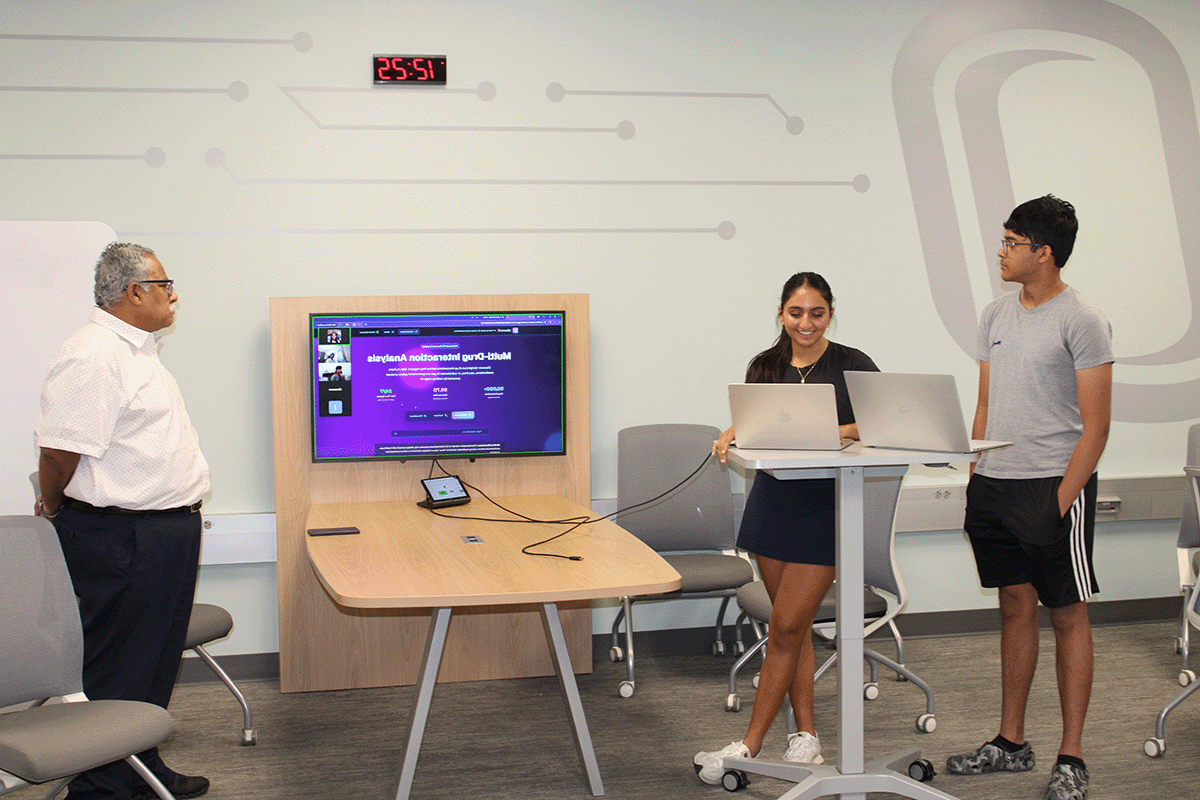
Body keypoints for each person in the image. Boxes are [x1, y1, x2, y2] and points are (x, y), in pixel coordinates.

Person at [946, 195, 1112, 800]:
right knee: (1014, 606)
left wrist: (1064, 499)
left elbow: (1096, 426)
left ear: (1044, 253)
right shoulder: (994, 316)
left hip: (1052, 485)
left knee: (1067, 614)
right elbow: (987, 403)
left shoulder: (1082, 319)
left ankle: (1072, 757)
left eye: (1012, 242)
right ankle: (1010, 742)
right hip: (994, 483)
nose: (1001, 251)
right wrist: (975, 470)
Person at [34, 242, 211, 800]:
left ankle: (143, 768)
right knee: (117, 667)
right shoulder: (93, 354)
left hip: (166, 532)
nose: (173, 295)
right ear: (133, 292)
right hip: (120, 536)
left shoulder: (139, 352)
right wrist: (55, 508)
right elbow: (59, 453)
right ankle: (102, 788)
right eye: (164, 285)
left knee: (154, 660)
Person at [693, 271, 878, 784]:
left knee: (785, 628)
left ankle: (748, 745)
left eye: (817, 313)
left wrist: (828, 429)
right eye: (796, 313)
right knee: (790, 629)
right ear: (781, 314)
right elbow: (755, 424)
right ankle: (807, 738)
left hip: (825, 509)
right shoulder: (766, 366)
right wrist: (734, 429)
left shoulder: (851, 364)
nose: (806, 323)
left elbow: (880, 418)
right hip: (772, 506)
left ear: (830, 313)